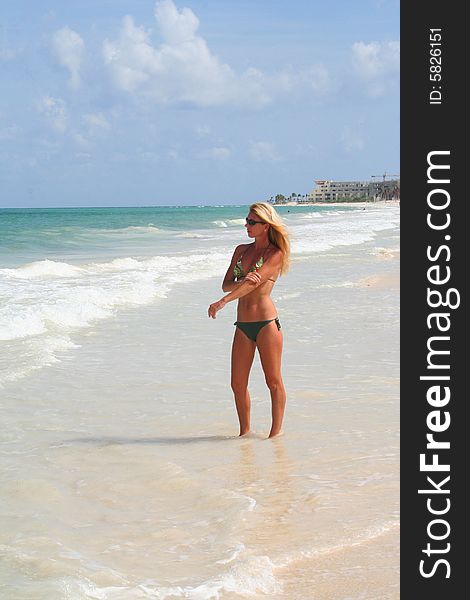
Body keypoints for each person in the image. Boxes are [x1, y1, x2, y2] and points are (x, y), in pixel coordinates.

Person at [208, 202, 290, 438]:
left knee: (273, 381)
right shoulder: (241, 251)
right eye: (246, 220)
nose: (247, 225)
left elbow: (254, 283)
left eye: (252, 222)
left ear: (266, 226)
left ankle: (275, 435)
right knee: (237, 384)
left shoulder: (275, 254)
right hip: (243, 325)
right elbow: (227, 283)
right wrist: (243, 280)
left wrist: (223, 301)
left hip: (266, 323)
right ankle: (244, 434)